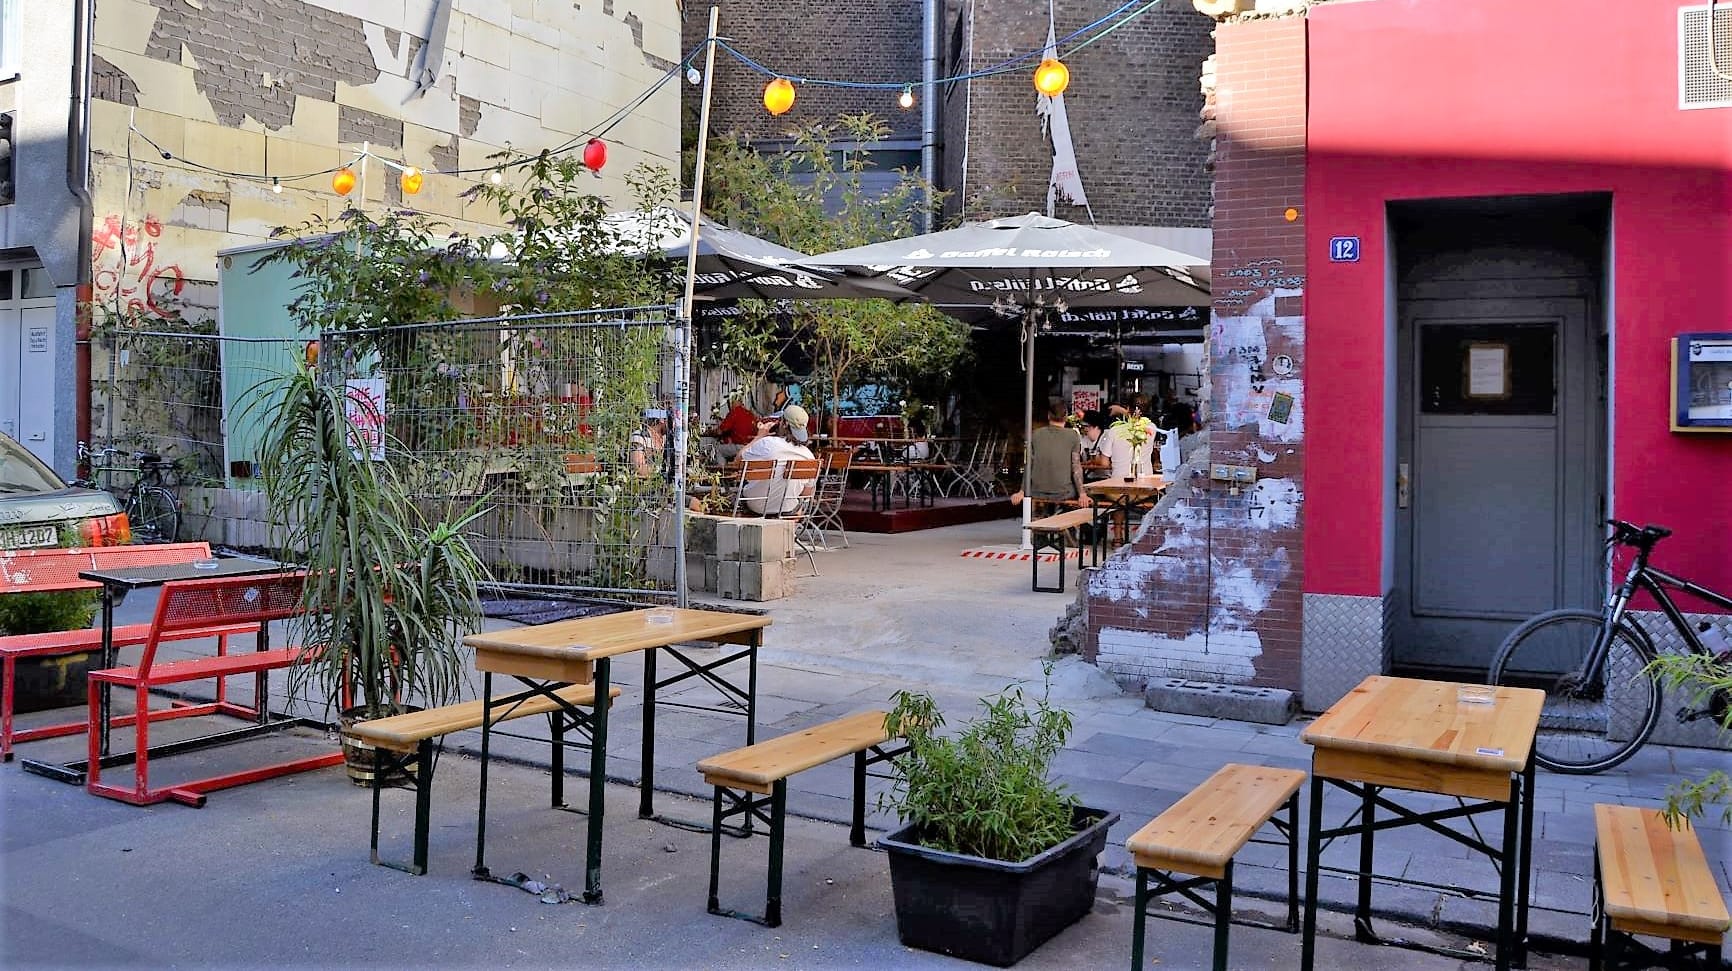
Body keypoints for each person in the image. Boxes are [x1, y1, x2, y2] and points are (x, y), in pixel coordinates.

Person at [737, 404, 816, 515]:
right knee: (798, 507)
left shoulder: (767, 443)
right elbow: (807, 493)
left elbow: (738, 460)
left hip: (756, 507)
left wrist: (759, 436)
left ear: (784, 424)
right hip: (787, 510)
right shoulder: (809, 456)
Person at [1010, 399, 1085, 510]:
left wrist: (1022, 491)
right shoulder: (1073, 435)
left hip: (1036, 491)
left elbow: (1028, 464)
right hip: (1064, 493)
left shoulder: (1035, 434)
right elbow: (1076, 467)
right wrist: (1082, 494)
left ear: (1049, 416)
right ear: (1066, 416)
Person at [629, 409, 669, 478]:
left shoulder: (666, 439)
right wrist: (660, 474)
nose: (674, 425)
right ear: (662, 420)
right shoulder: (639, 436)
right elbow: (638, 467)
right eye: (671, 420)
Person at [1078, 410, 1112, 481]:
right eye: (1082, 426)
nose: (1084, 429)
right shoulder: (1083, 438)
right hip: (1088, 478)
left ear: (1096, 426)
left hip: (1104, 478)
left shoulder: (1107, 437)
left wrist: (1090, 461)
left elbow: (1105, 462)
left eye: (1086, 426)